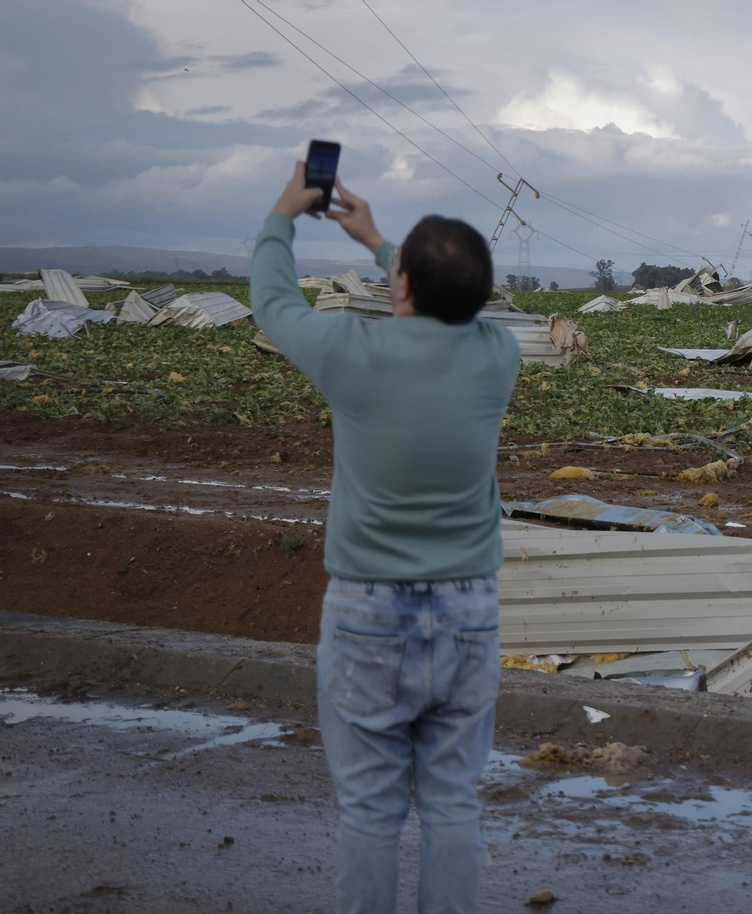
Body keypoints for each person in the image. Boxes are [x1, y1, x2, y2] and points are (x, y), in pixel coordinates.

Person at [251, 160, 521, 913]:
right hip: (469, 613)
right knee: (453, 803)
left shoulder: (351, 352)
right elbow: (450, 298)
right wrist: (381, 242)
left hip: (369, 615)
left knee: (371, 811)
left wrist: (283, 213)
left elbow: (271, 301)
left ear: (400, 285)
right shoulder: (497, 356)